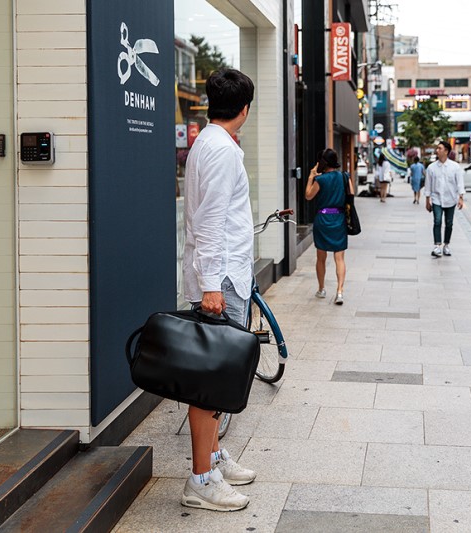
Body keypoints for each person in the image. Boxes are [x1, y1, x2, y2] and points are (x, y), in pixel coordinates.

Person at [181, 68, 257, 512]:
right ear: (245, 108)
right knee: (210, 383)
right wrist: (211, 285)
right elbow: (209, 224)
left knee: (217, 377)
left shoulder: (208, 143)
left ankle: (211, 457)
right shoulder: (221, 151)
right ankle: (201, 479)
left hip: (224, 278)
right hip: (222, 282)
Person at [305, 148, 350, 305]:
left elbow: (308, 195)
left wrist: (311, 177)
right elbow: (351, 194)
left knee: (321, 257)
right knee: (339, 257)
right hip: (339, 218)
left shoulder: (321, 180)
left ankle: (322, 289)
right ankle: (339, 292)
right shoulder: (345, 177)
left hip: (323, 219)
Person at [425, 141, 465, 258]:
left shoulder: (455, 167)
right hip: (436, 199)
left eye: (440, 148)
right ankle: (437, 245)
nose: (437, 150)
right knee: (437, 221)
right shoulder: (431, 168)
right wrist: (427, 200)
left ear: (446, 151)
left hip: (451, 199)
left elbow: (460, 183)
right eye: (437, 148)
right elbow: (428, 185)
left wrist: (461, 198)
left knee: (449, 223)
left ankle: (446, 245)